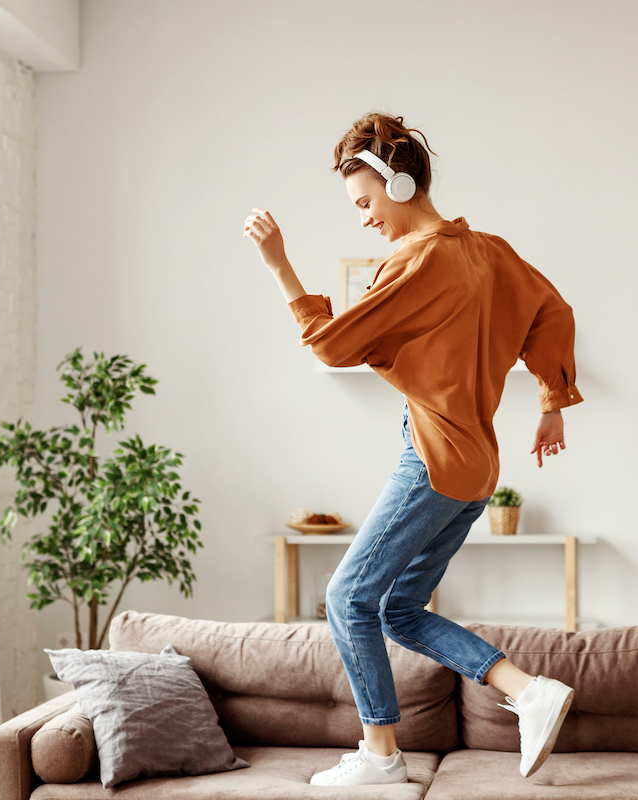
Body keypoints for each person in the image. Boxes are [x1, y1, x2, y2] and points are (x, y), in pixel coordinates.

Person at [242, 111, 584, 787]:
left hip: (433, 455)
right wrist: (550, 402)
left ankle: (380, 756)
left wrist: (280, 266)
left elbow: (334, 344)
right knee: (397, 609)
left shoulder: (417, 259)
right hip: (477, 466)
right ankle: (527, 691)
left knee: (346, 598)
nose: (364, 218)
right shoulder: (487, 250)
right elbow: (554, 311)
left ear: (398, 184)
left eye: (365, 202)